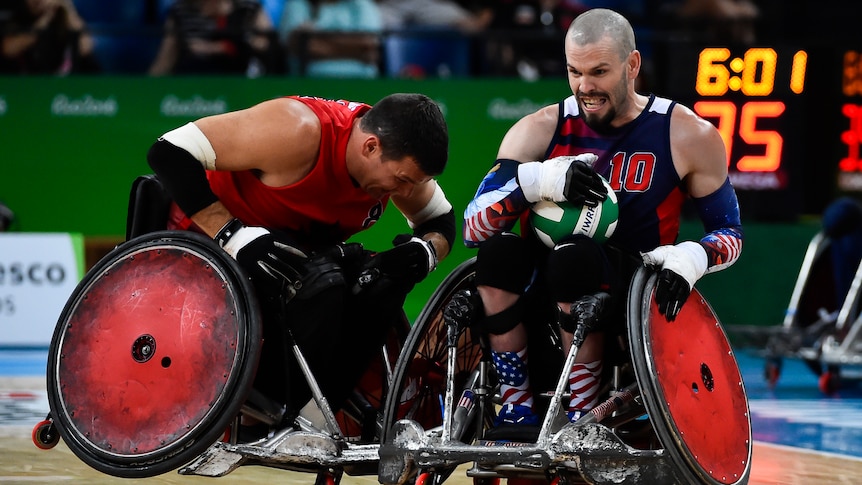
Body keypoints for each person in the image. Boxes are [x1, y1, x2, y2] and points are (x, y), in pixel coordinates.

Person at [461, 8, 743, 430]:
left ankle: (582, 408)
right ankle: (516, 403)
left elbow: (730, 233)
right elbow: (472, 228)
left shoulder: (687, 134)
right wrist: (536, 181)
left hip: (629, 295)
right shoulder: (538, 129)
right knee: (499, 251)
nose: (584, 87)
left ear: (632, 66)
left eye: (599, 72)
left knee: (575, 256)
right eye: (574, 71)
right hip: (540, 297)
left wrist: (693, 258)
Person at [146, 92, 454, 438]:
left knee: (382, 280)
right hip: (207, 247)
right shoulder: (297, 130)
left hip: (291, 269)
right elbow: (168, 151)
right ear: (371, 147)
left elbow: (440, 221)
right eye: (400, 181)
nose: (404, 191)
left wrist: (425, 252)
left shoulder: (393, 159)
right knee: (326, 285)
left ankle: (313, 416)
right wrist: (232, 234)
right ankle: (265, 416)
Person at [148, 0, 280, 76]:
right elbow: (166, 58)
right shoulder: (180, 10)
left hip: (240, 79)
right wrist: (147, 87)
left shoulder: (248, 8)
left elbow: (268, 45)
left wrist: (221, 47)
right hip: (193, 83)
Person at [278, 0, 383, 78]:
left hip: (362, 81)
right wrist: (355, 49)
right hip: (309, 84)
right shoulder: (298, 4)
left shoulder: (361, 4)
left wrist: (318, 38)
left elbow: (368, 43)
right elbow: (299, 45)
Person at [0, 0, 100, 74]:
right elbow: (8, 49)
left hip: (65, 89)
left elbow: (86, 46)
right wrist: (45, 20)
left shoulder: (65, 19)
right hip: (24, 88)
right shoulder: (16, 19)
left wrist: (67, 7)